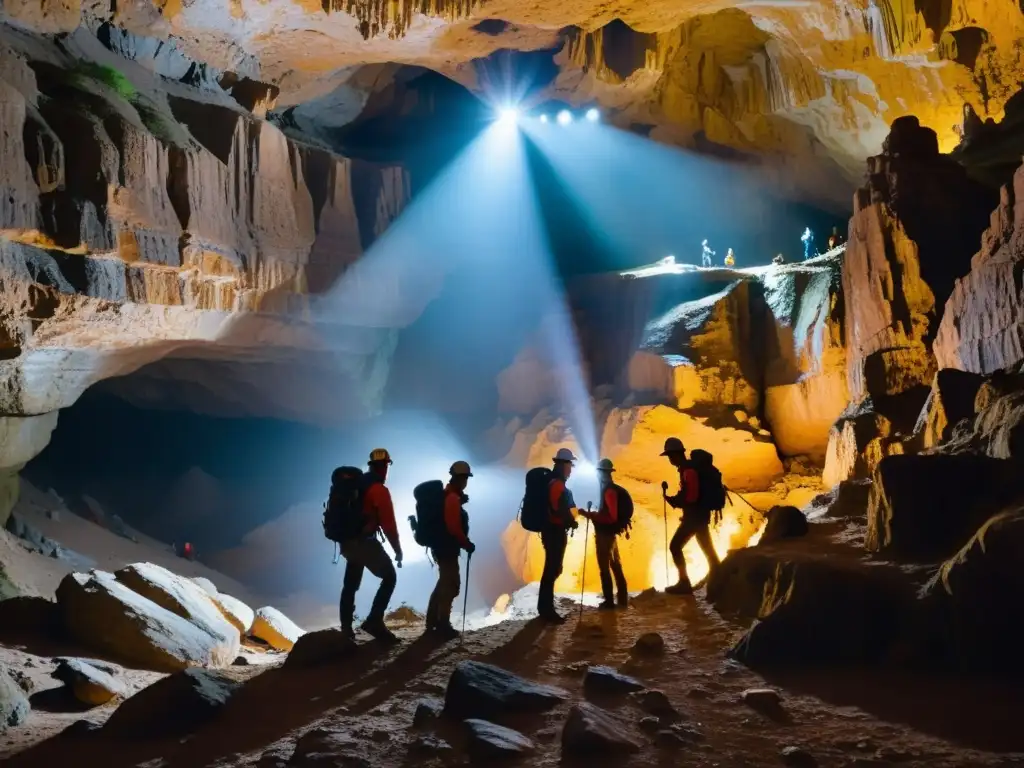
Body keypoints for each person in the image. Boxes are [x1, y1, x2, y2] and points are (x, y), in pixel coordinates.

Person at [339, 448, 403, 643]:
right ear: (384, 467)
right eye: (386, 466)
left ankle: (346, 630)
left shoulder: (356, 487)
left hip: (347, 542)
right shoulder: (378, 490)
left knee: (350, 585)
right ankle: (374, 620)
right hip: (365, 542)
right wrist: (397, 550)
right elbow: (389, 525)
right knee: (390, 577)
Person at [660, 437, 720, 595]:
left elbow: (691, 496)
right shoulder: (688, 469)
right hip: (699, 517)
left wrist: (676, 501)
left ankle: (684, 582)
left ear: (676, 454)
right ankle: (720, 577)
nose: (670, 459)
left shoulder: (688, 470)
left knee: (675, 546)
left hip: (694, 518)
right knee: (708, 549)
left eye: (670, 456)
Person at [425, 461, 476, 639]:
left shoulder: (449, 495)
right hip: (447, 548)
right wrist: (466, 543)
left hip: (441, 547)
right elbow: (454, 527)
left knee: (443, 582)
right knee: (451, 585)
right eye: (464, 478)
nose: (465, 481)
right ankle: (442, 625)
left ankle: (432, 621)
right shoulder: (452, 499)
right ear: (460, 478)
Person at [580, 458, 628, 610]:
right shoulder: (608, 489)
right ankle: (622, 599)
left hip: (605, 535)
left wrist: (590, 515)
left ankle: (609, 601)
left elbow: (611, 517)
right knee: (615, 566)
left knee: (606, 567)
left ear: (601, 473)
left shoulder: (609, 491)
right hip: (610, 534)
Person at [538, 447, 580, 622]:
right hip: (554, 531)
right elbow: (557, 509)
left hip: (552, 530)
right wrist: (571, 521)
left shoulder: (554, 482)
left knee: (553, 568)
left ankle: (545, 607)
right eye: (570, 464)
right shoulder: (557, 484)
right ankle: (547, 610)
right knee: (552, 568)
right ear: (563, 464)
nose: (570, 469)